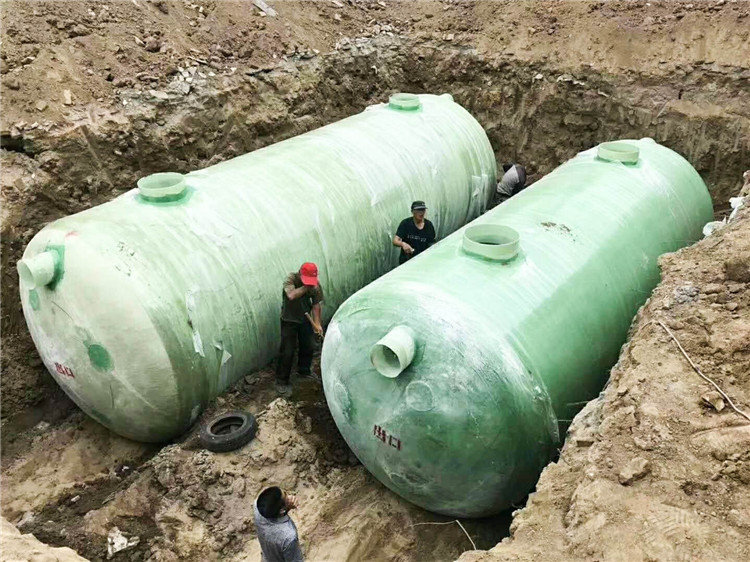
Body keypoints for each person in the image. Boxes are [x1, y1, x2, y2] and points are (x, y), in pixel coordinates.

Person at [276, 263, 324, 396]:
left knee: (308, 346)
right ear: (300, 274)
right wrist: (306, 287)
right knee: (287, 351)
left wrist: (317, 324)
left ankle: (304, 371)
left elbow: (316, 305)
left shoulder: (316, 286)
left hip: (305, 319)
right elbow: (291, 295)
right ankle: (282, 381)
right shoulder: (290, 279)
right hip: (289, 320)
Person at [254, 486, 304, 562]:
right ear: (281, 510)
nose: (289, 496)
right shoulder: (288, 536)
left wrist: (286, 507)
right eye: (286, 495)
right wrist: (287, 507)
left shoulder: (257, 508)